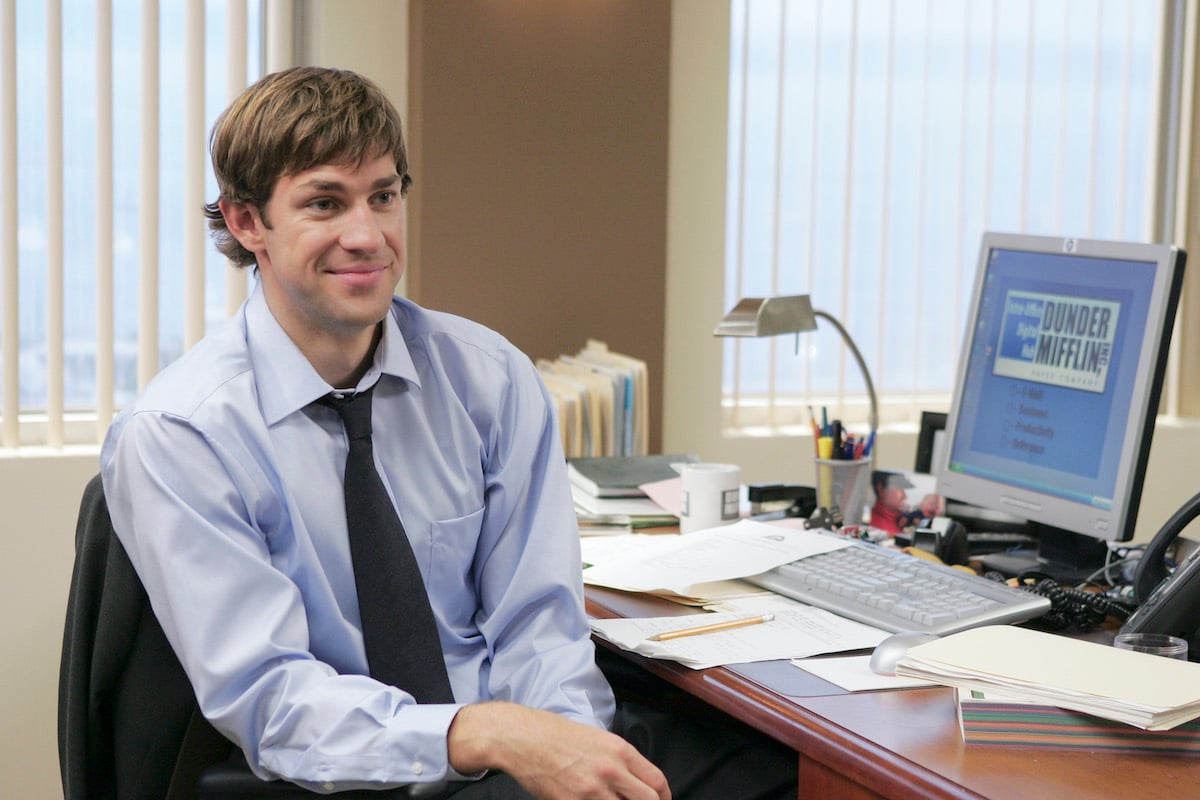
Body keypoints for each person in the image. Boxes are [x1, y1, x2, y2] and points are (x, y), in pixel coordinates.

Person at [100, 66, 796, 799]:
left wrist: (571, 753)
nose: (366, 235)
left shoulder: (489, 380)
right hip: (340, 776)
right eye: (325, 204)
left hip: (512, 761)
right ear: (247, 223)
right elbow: (274, 702)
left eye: (384, 197)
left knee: (786, 773)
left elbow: (539, 625)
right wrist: (484, 732)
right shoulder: (180, 435)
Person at [868, 470, 942, 535]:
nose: (905, 496)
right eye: (900, 488)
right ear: (881, 489)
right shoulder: (884, 531)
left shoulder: (899, 520)